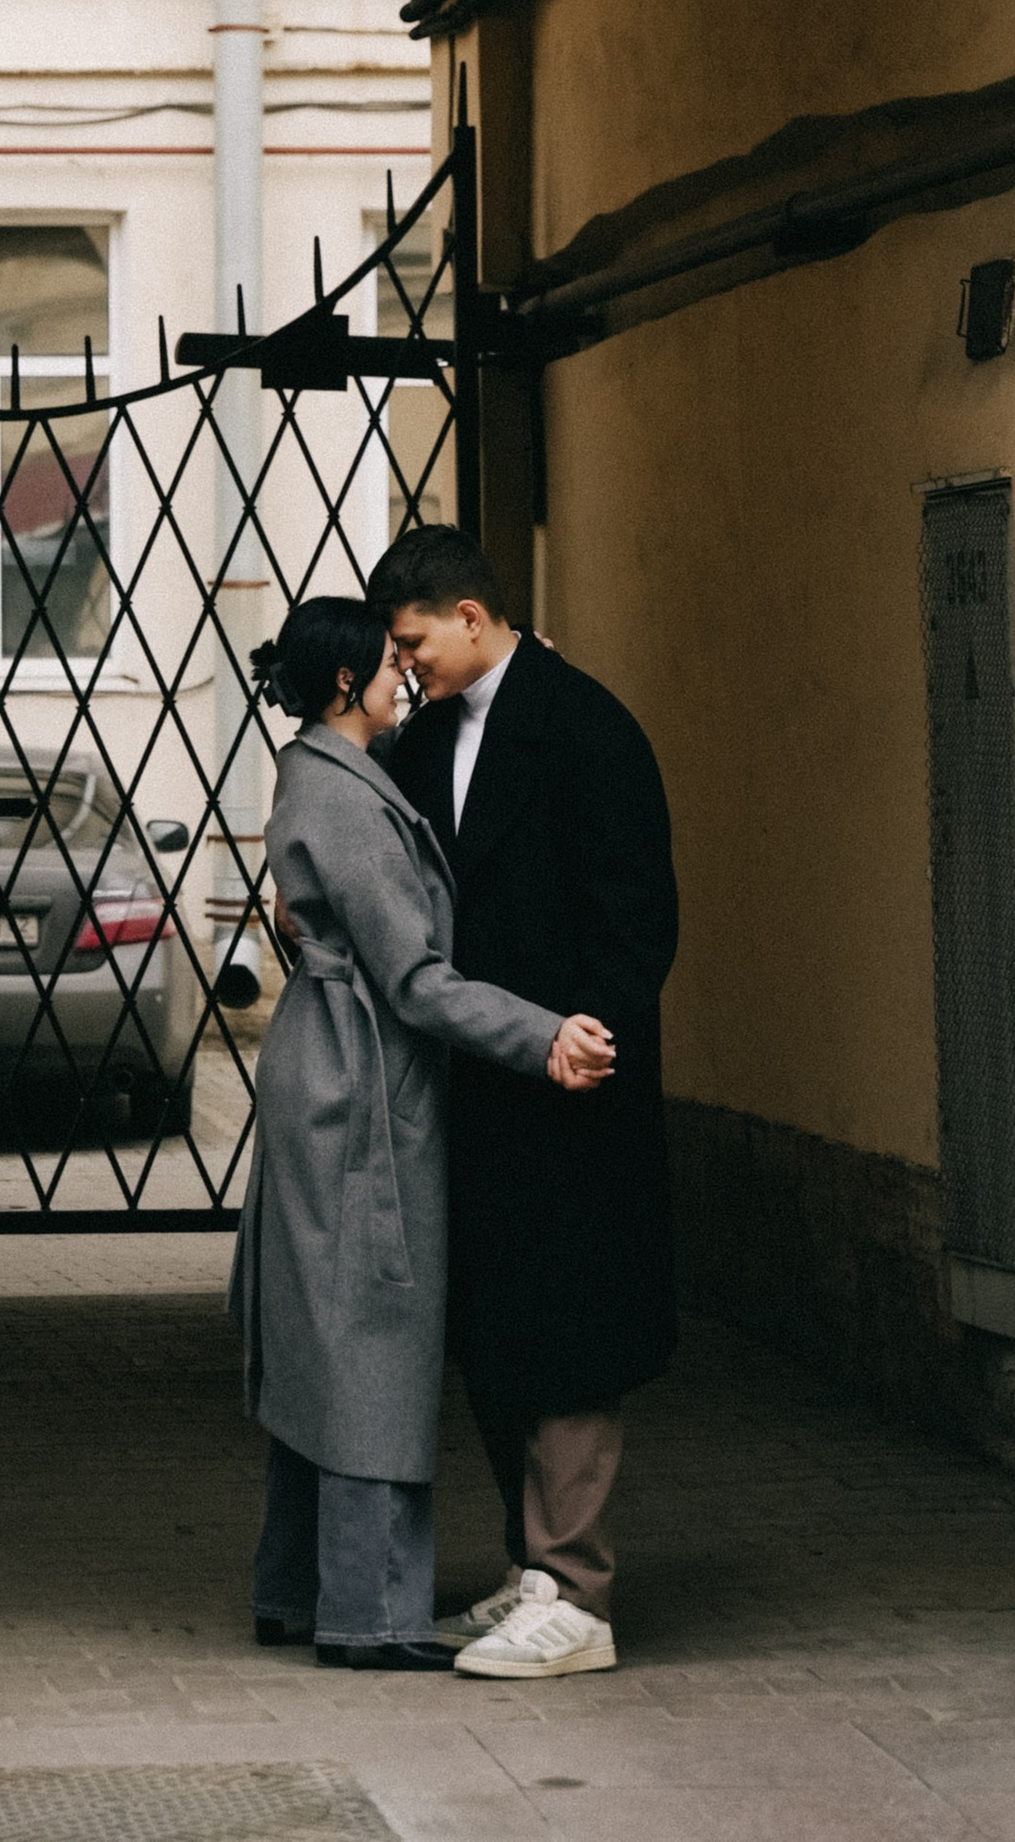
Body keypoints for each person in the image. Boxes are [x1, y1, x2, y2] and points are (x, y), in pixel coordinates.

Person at [230, 593, 617, 1672]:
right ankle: (369, 1610)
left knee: (328, 1332)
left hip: (332, 1071)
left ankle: (300, 1591)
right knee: (369, 1341)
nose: (407, 672)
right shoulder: (345, 794)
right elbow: (411, 978)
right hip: (358, 1085)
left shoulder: (328, 769)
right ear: (346, 682)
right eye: (388, 660)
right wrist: (543, 1035)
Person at [366, 527, 679, 1681]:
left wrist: (593, 1031)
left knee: (569, 1330)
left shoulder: (588, 726)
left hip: (569, 1078)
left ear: (469, 614)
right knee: (496, 1329)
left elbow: (636, 905)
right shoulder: (427, 738)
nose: (406, 666)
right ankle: (533, 1572)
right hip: (476, 1079)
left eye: (414, 643)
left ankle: (579, 1595)